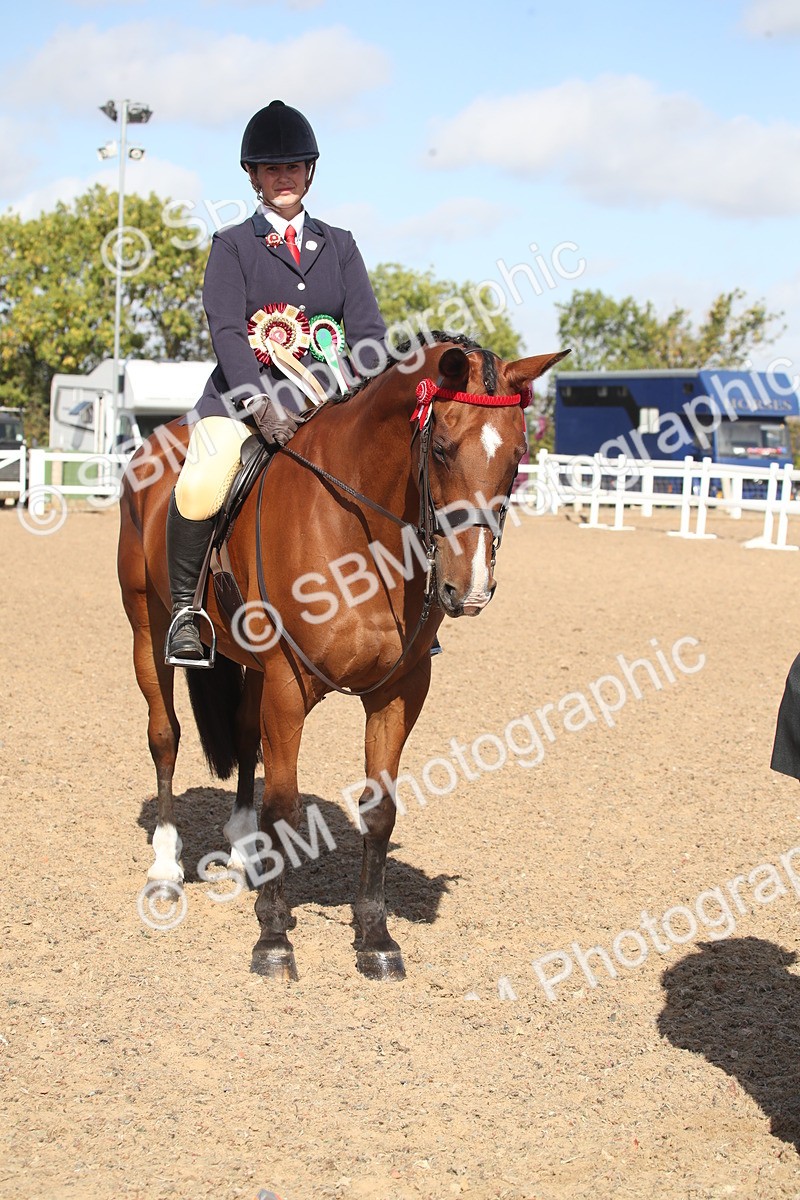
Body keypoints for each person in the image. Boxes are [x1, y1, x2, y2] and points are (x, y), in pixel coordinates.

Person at [165, 99, 388, 666]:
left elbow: (367, 334)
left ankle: (402, 607)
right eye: (271, 169)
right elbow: (226, 330)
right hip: (244, 403)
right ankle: (187, 614)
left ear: (309, 172)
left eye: (292, 167)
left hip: (329, 402)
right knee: (200, 483)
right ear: (254, 177)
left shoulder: (340, 245)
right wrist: (255, 403)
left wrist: (365, 400)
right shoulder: (233, 245)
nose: (282, 178)